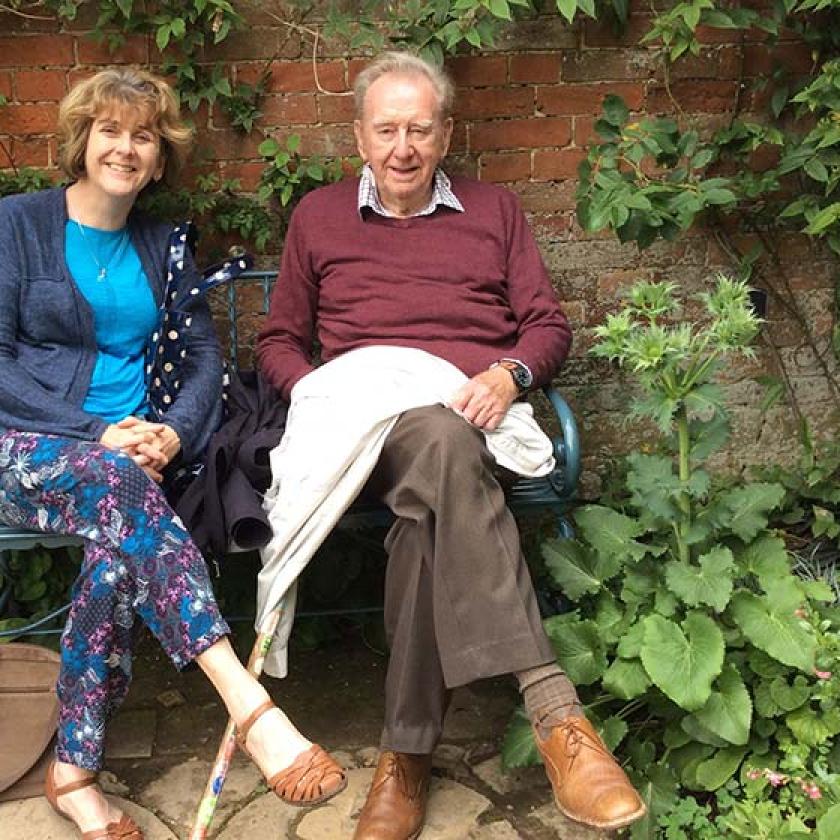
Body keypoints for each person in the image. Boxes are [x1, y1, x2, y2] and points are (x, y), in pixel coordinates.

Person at [256, 51, 646, 839]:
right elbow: (279, 341)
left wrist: (507, 374)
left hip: (473, 421)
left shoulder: (494, 211)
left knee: (427, 506)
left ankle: (405, 760)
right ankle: (557, 714)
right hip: (367, 431)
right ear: (360, 136)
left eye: (420, 130)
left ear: (447, 134)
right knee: (434, 437)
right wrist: (321, 397)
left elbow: (547, 326)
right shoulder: (318, 216)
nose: (404, 147)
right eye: (388, 129)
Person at [0, 68, 345, 840]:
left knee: (119, 546)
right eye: (111, 130)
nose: (125, 147)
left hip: (134, 465)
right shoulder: (16, 226)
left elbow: (202, 360)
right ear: (82, 141)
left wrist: (175, 432)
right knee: (121, 489)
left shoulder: (163, 244)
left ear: (159, 159)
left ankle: (74, 772)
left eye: (143, 136)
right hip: (23, 448)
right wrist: (95, 433)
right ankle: (249, 705)